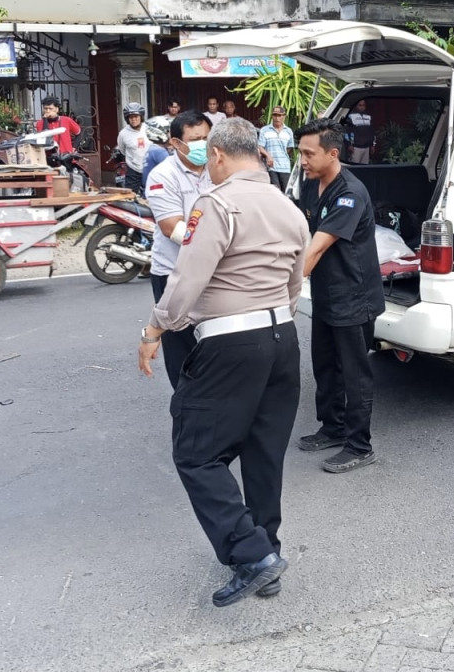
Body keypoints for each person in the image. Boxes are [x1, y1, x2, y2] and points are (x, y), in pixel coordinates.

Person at [138, 117, 310, 607]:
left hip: (231, 342)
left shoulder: (217, 204)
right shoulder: (288, 207)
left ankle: (252, 555)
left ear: (217, 155)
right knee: (263, 451)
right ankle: (264, 553)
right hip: (282, 336)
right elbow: (295, 283)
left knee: (195, 453)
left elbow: (186, 280)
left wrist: (154, 329)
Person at [296, 119, 385, 473]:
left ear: (333, 154)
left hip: (354, 296)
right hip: (327, 294)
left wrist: (277, 292)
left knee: (354, 375)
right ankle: (331, 428)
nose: (302, 160)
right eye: (299, 152)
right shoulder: (311, 183)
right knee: (325, 365)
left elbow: (315, 248)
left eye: (308, 153)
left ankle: (360, 445)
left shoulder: (350, 193)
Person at [143, 111, 212, 389]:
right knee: (181, 349)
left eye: (207, 137)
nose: (203, 145)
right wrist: (220, 244)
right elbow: (173, 228)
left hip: (212, 273)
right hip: (174, 273)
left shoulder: (218, 169)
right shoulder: (163, 175)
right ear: (175, 142)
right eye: (196, 140)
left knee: (213, 345)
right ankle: (187, 412)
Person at [258, 105, 295, 191]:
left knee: (286, 192)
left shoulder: (288, 131)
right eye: (275, 115)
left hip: (285, 167)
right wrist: (268, 156)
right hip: (271, 167)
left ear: (284, 116)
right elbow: (260, 147)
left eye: (279, 115)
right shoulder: (265, 130)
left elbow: (289, 149)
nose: (277, 118)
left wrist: (282, 155)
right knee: (275, 190)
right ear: (272, 116)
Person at [117, 102, 149, 191]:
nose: (133, 119)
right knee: (130, 196)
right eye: (131, 117)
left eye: (136, 116)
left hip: (149, 168)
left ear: (141, 117)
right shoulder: (123, 134)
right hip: (133, 170)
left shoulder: (149, 129)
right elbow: (122, 150)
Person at [141, 115, 172, 191]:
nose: (170, 134)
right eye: (168, 131)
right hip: (158, 190)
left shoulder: (153, 148)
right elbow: (172, 171)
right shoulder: (159, 151)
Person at [343, 99, 375, 164]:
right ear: (356, 106)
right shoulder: (350, 116)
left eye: (363, 105)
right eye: (360, 105)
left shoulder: (368, 117)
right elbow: (346, 131)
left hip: (366, 148)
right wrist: (349, 144)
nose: (362, 107)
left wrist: (373, 145)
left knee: (364, 169)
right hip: (355, 148)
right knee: (354, 168)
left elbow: (372, 132)